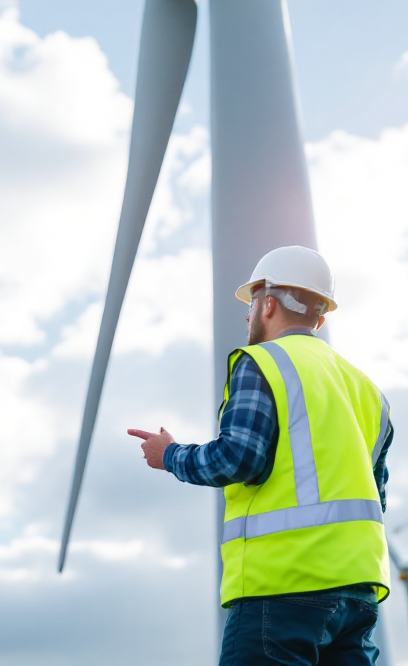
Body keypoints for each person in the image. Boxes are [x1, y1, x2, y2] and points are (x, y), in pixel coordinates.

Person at [128, 245, 391, 666]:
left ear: (267, 303)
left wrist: (171, 455)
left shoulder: (263, 362)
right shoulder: (366, 390)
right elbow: (376, 493)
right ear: (320, 318)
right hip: (358, 593)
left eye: (250, 303)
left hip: (283, 587)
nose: (247, 314)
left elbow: (238, 459)